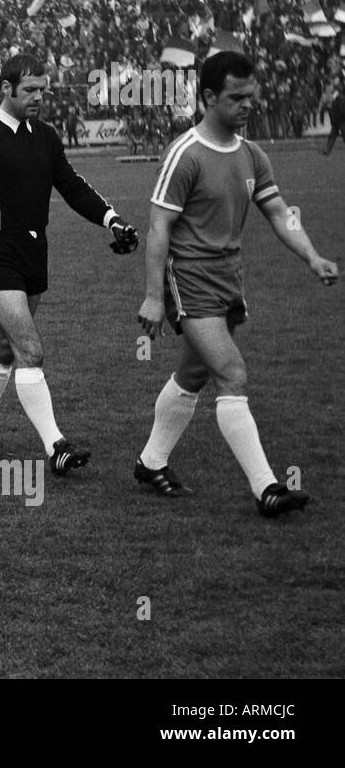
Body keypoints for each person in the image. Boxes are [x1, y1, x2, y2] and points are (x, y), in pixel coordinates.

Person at [135, 51, 338, 515]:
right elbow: (158, 228)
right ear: (208, 97)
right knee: (232, 373)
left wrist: (311, 255)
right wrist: (152, 297)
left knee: (193, 374)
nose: (248, 105)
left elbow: (277, 211)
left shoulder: (251, 153)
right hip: (190, 279)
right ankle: (267, 488)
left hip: (229, 277)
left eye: (252, 96)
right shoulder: (184, 153)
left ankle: (151, 462)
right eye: (237, 97)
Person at [0, 54, 139, 475]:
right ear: (5, 88)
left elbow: (71, 185)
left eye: (42, 89)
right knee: (30, 349)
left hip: (35, 250)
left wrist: (112, 219)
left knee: (3, 346)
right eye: (29, 89)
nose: (39, 96)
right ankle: (56, 447)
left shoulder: (45, 136)